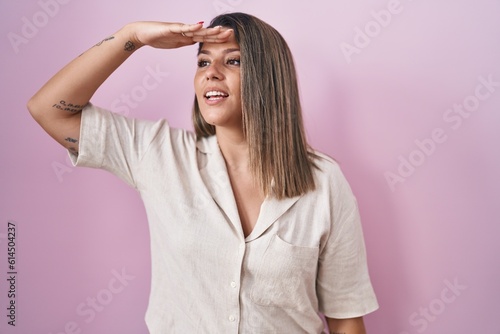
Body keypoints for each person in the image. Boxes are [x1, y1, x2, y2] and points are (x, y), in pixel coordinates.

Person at [28, 12, 378, 334]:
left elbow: (346, 317)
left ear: (268, 78)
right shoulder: (158, 154)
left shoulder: (324, 181)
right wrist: (132, 36)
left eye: (234, 61)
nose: (211, 72)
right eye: (203, 61)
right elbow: (49, 109)